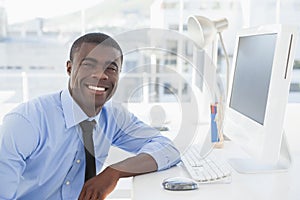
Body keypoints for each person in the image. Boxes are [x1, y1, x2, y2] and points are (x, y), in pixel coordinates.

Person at [0, 32, 180, 200]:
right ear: (70, 68)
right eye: (88, 64)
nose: (100, 75)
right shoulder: (27, 121)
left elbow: (167, 149)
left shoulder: (114, 117)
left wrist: (114, 172)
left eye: (111, 68)